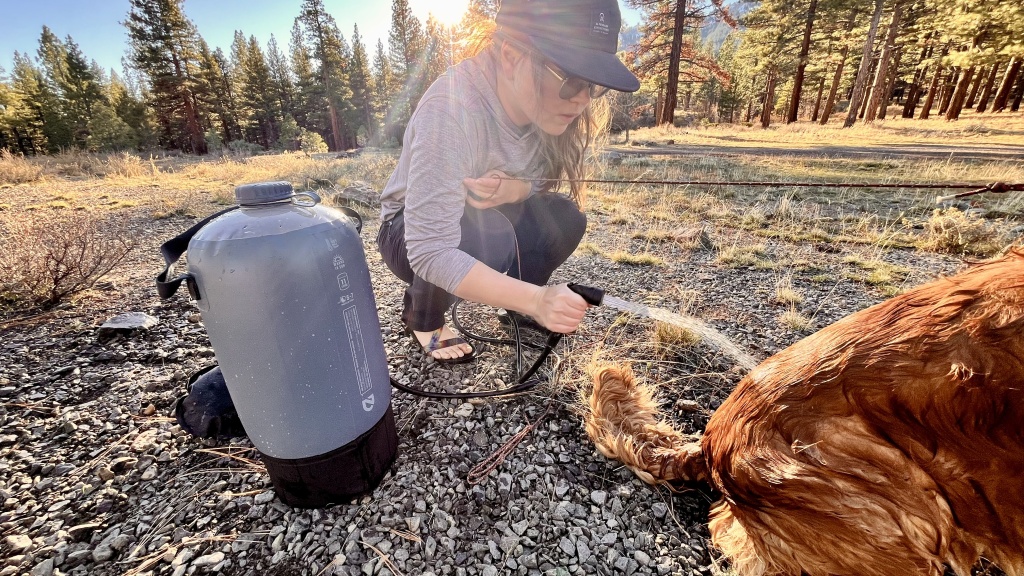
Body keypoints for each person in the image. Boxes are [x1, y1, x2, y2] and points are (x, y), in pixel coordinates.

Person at [377, 0, 640, 363]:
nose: (582, 100)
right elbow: (430, 249)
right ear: (512, 56)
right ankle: (423, 317)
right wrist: (540, 300)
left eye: (593, 85)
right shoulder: (452, 108)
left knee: (565, 218)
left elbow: (541, 180)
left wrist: (518, 189)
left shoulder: (546, 110)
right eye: (572, 80)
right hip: (404, 232)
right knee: (486, 235)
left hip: (483, 216)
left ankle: (514, 305)